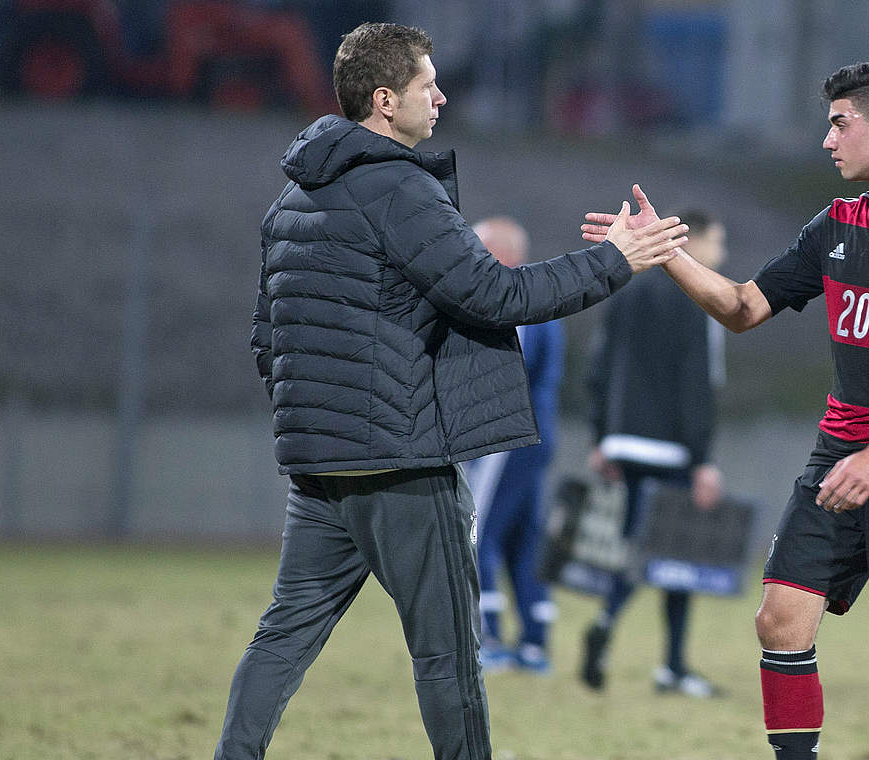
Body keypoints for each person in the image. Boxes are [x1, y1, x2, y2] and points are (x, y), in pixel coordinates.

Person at [215, 22, 689, 760]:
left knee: (283, 636)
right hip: (400, 464)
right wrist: (616, 261)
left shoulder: (293, 199)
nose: (440, 96)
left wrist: (314, 418)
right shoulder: (399, 186)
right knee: (448, 654)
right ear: (383, 100)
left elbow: (264, 335)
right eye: (425, 85)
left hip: (317, 463)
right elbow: (496, 294)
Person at [581, 62, 869, 760]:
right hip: (837, 460)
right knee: (779, 621)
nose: (827, 140)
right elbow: (743, 308)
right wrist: (665, 255)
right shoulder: (834, 223)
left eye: (839, 124)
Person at [580, 209, 728, 698]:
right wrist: (702, 456)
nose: (721, 254)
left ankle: (615, 626)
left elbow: (598, 368)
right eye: (717, 242)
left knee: (640, 544)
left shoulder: (627, 291)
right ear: (695, 241)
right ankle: (671, 665)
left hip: (625, 442)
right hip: (672, 447)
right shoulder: (700, 297)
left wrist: (602, 437)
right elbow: (697, 384)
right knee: (674, 554)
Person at [462, 216, 562, 674]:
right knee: (526, 539)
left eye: (479, 246)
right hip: (535, 434)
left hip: (508, 436)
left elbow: (503, 378)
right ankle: (535, 643)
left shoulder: (509, 298)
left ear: (505, 253)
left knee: (480, 533)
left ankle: (491, 639)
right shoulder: (539, 297)